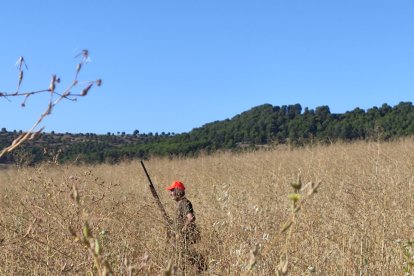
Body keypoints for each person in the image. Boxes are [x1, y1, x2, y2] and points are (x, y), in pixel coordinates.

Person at [166, 181, 206, 273]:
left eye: (172, 190)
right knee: (183, 257)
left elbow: (191, 218)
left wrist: (182, 231)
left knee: (187, 255)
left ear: (178, 191)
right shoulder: (181, 203)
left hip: (184, 237)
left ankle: (202, 268)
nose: (170, 193)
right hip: (181, 237)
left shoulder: (185, 203)